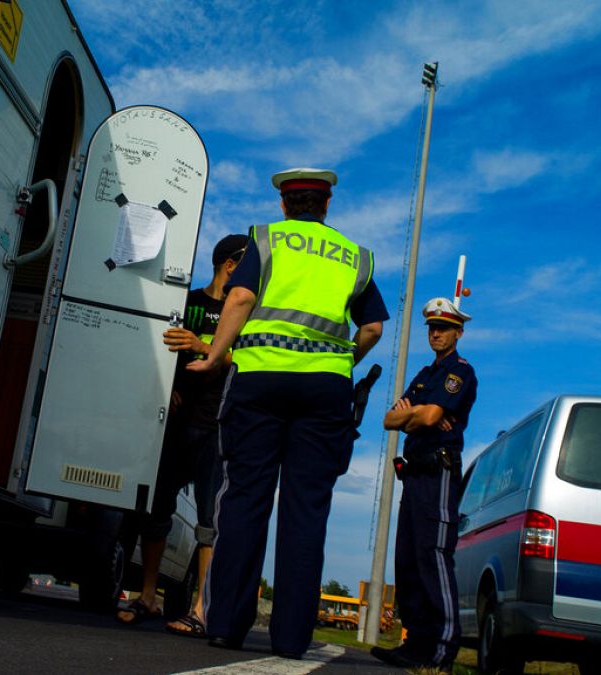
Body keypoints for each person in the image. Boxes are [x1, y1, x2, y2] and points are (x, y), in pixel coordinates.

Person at [188, 167, 389, 659]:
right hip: (324, 394)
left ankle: (225, 625)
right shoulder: (353, 257)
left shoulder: (266, 239)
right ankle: (293, 638)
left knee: (244, 499)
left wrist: (215, 354)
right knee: (307, 510)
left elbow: (240, 296)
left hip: (259, 382)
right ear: (326, 206)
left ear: (284, 204)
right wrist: (341, 365)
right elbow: (373, 329)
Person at [116, 234, 247, 631]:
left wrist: (203, 346)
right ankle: (148, 597)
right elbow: (161, 348)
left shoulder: (246, 312)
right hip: (176, 422)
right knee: (156, 510)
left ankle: (201, 610)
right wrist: (166, 385)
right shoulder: (187, 303)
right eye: (248, 264)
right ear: (229, 264)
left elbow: (243, 359)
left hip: (217, 425)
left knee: (210, 521)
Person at [371, 297, 478, 673]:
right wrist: (417, 417)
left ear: (458, 332)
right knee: (409, 561)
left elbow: (431, 415)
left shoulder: (459, 372)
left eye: (444, 328)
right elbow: (388, 420)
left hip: (439, 473)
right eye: (432, 327)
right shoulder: (423, 375)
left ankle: (441, 649)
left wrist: (416, 415)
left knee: (433, 557)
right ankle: (414, 644)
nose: (436, 333)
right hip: (414, 472)